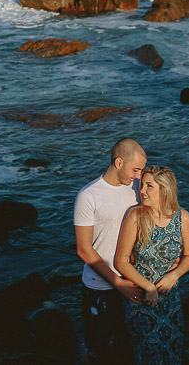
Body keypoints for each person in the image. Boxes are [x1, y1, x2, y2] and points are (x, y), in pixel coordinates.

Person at [74, 138, 148, 363]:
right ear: (118, 162)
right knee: (96, 349)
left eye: (141, 170)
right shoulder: (88, 196)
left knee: (128, 345)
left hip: (133, 280)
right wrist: (118, 283)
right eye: (135, 169)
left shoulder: (137, 189)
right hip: (100, 287)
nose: (139, 176)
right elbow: (84, 250)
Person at [114, 166, 189, 365]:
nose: (142, 190)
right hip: (140, 296)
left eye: (149, 186)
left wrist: (174, 275)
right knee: (148, 352)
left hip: (170, 297)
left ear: (164, 190)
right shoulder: (136, 216)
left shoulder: (182, 218)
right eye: (142, 185)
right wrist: (149, 288)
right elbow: (121, 261)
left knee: (173, 351)